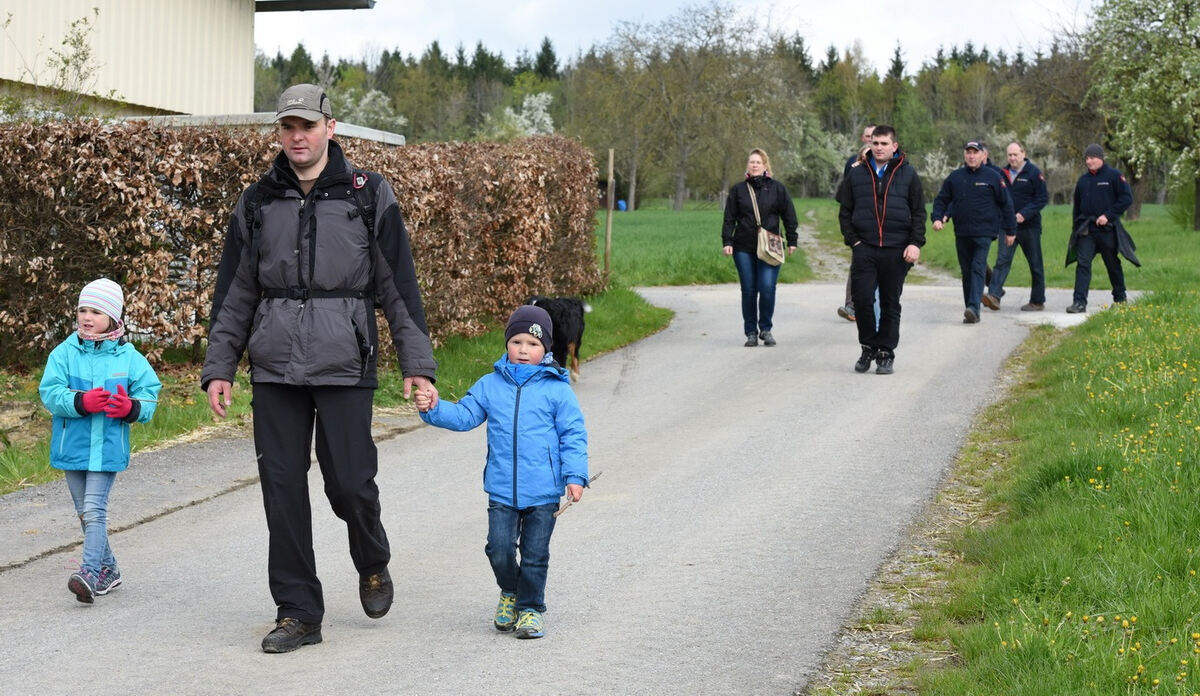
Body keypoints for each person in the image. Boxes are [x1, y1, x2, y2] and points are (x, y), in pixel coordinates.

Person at [201, 84, 439, 653]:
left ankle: (372, 559)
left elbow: (396, 285)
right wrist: (220, 366)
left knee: (350, 484)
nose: (297, 136)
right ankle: (299, 612)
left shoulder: (367, 194)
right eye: (287, 127)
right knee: (282, 491)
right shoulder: (257, 201)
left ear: (330, 128)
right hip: (275, 367)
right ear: (279, 133)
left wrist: (417, 363)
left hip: (344, 361)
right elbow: (235, 291)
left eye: (307, 126)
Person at [414, 305, 588, 639]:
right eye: (517, 341)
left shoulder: (557, 390)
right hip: (502, 489)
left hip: (544, 490)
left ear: (546, 349)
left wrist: (575, 476)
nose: (524, 350)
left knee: (535, 555)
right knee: (498, 547)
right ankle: (510, 591)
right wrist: (435, 407)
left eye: (533, 344)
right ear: (507, 343)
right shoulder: (490, 385)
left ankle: (531, 609)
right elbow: (465, 416)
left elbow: (573, 435)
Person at [38, 278, 161, 604]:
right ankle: (110, 571)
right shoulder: (63, 353)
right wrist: (80, 402)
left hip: (107, 447)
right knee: (85, 512)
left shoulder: (129, 358)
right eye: (82, 309)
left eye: (96, 311)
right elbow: (49, 393)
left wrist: (130, 408)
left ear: (114, 317)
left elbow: (149, 396)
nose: (87, 316)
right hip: (72, 445)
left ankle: (89, 573)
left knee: (94, 510)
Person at [836, 125, 926, 375]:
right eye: (875, 143)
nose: (879, 148)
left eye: (884, 144)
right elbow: (845, 212)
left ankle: (886, 352)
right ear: (869, 144)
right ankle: (868, 346)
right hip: (865, 248)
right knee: (862, 300)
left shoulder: (907, 174)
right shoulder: (856, 174)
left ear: (894, 146)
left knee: (889, 302)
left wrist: (914, 243)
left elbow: (919, 212)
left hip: (896, 249)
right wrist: (853, 241)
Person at [931, 140, 1016, 324]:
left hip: (984, 232)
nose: (971, 156)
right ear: (964, 155)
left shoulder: (993, 177)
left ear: (982, 155)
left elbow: (1006, 204)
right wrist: (937, 218)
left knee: (978, 267)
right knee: (967, 271)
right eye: (968, 152)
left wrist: (1011, 230)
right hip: (962, 233)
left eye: (975, 152)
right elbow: (941, 200)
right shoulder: (955, 177)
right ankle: (970, 308)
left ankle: (974, 308)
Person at [721, 148, 799, 347]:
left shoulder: (777, 189)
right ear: (748, 165)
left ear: (765, 166)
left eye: (758, 162)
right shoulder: (738, 190)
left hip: (771, 244)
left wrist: (792, 240)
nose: (754, 165)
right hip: (744, 246)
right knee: (748, 290)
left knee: (766, 287)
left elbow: (789, 215)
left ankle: (766, 328)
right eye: (751, 162)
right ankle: (750, 332)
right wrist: (727, 241)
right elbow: (729, 217)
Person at [1066, 143, 1135, 313]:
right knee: (1083, 264)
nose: (1089, 161)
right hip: (1086, 230)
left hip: (1107, 229)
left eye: (1093, 158)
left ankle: (1120, 299)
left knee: (1112, 263)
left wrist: (1108, 215)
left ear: (1101, 158)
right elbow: (1077, 207)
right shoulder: (1083, 180)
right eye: (1087, 158)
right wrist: (1076, 228)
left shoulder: (1114, 176)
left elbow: (1126, 198)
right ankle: (1079, 302)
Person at [985, 142, 1049, 311]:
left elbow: (1042, 198)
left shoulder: (1034, 173)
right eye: (1010, 155)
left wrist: (1024, 214)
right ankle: (994, 296)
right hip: (1007, 226)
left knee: (1035, 264)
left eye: (1015, 154)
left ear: (1023, 154)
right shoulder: (1002, 174)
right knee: (1002, 261)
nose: (1012, 158)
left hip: (1029, 227)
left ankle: (1037, 300)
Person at [838, 124, 875, 323]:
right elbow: (845, 197)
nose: (871, 141)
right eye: (868, 137)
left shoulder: (892, 163)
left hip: (884, 228)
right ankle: (851, 305)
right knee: (858, 264)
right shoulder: (852, 163)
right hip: (859, 226)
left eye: (875, 137)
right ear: (863, 138)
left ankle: (871, 305)